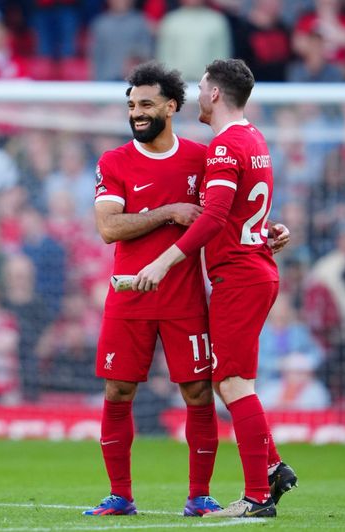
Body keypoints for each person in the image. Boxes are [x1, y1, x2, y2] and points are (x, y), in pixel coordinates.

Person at [135, 59, 296, 518]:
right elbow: (244, 209)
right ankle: (273, 468)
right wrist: (266, 229)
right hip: (254, 268)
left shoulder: (225, 147)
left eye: (201, 86)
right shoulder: (254, 138)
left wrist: (165, 260)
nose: (197, 94)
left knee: (233, 382)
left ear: (216, 94)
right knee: (227, 379)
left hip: (240, 276)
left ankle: (257, 497)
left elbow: (215, 216)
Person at [84, 61, 221, 518]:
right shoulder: (114, 161)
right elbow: (109, 228)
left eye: (145, 104)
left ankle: (199, 496)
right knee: (118, 392)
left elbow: (226, 215)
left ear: (171, 106)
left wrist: (270, 231)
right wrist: (168, 211)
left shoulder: (201, 159)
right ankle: (120, 495)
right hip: (129, 297)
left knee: (198, 394)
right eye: (131, 106)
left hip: (185, 299)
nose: (136, 113)